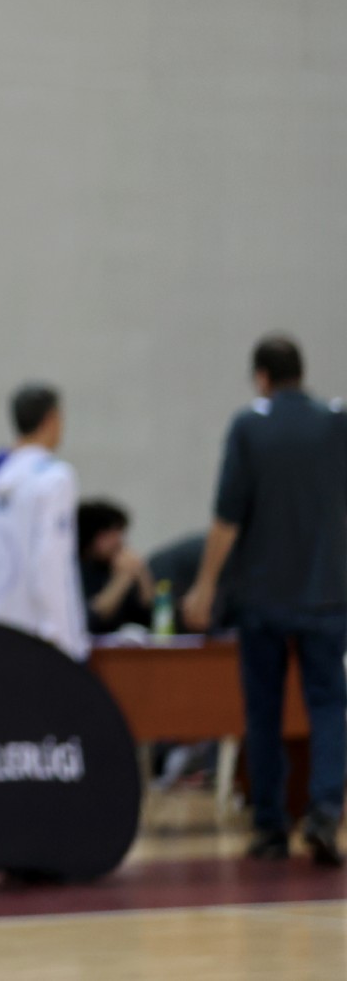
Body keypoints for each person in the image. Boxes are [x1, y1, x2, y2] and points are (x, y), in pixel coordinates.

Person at [182, 333, 347, 865]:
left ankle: (271, 825)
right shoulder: (336, 422)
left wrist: (206, 584)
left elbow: (227, 518)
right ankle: (325, 809)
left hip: (263, 596)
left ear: (261, 377)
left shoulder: (249, 427)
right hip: (327, 593)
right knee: (330, 704)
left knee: (264, 710)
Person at [0, 383, 89, 661]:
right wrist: (63, 640)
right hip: (37, 636)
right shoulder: (54, 477)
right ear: (51, 419)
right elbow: (50, 560)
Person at [76, 498, 153, 634]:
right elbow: (87, 621)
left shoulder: (114, 567)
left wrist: (142, 575)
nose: (119, 542)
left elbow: (152, 618)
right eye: (112, 534)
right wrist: (122, 579)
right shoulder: (73, 571)